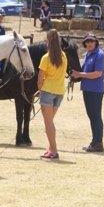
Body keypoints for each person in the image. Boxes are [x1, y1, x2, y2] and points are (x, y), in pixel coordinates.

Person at [71, 33, 104, 153]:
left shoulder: (100, 55)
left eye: (91, 41)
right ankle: (95, 142)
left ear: (96, 42)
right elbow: (83, 71)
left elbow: (98, 73)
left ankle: (98, 143)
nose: (89, 43)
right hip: (87, 89)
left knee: (95, 116)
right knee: (92, 116)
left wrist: (79, 74)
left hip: (95, 90)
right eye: (87, 42)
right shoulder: (87, 55)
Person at [37, 29, 68, 160]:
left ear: (48, 41)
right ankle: (50, 148)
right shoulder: (63, 56)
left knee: (48, 123)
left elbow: (40, 79)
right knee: (50, 122)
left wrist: (40, 89)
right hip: (59, 91)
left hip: (47, 91)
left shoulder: (46, 58)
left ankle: (54, 151)